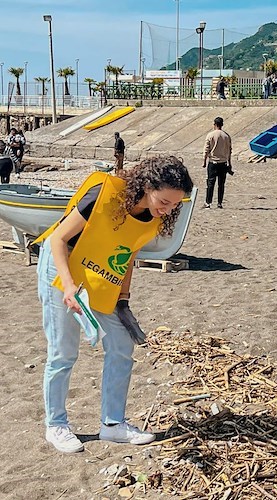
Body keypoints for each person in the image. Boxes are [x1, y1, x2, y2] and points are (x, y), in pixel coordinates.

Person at [35, 156, 194, 453]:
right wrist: (69, 288)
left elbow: (127, 255)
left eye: (175, 205)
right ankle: (56, 425)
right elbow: (57, 240)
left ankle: (112, 424)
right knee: (63, 352)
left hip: (100, 273)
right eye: (164, 201)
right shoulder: (105, 197)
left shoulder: (154, 214)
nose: (168, 209)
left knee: (122, 344)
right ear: (146, 186)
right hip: (62, 266)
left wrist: (123, 301)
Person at [203, 116, 233, 209]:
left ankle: (208, 202)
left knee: (210, 183)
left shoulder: (210, 135)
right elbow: (229, 151)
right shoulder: (226, 136)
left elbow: (206, 150)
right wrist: (229, 163)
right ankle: (219, 203)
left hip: (213, 162)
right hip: (223, 163)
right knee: (221, 184)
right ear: (222, 125)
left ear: (214, 124)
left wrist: (204, 161)